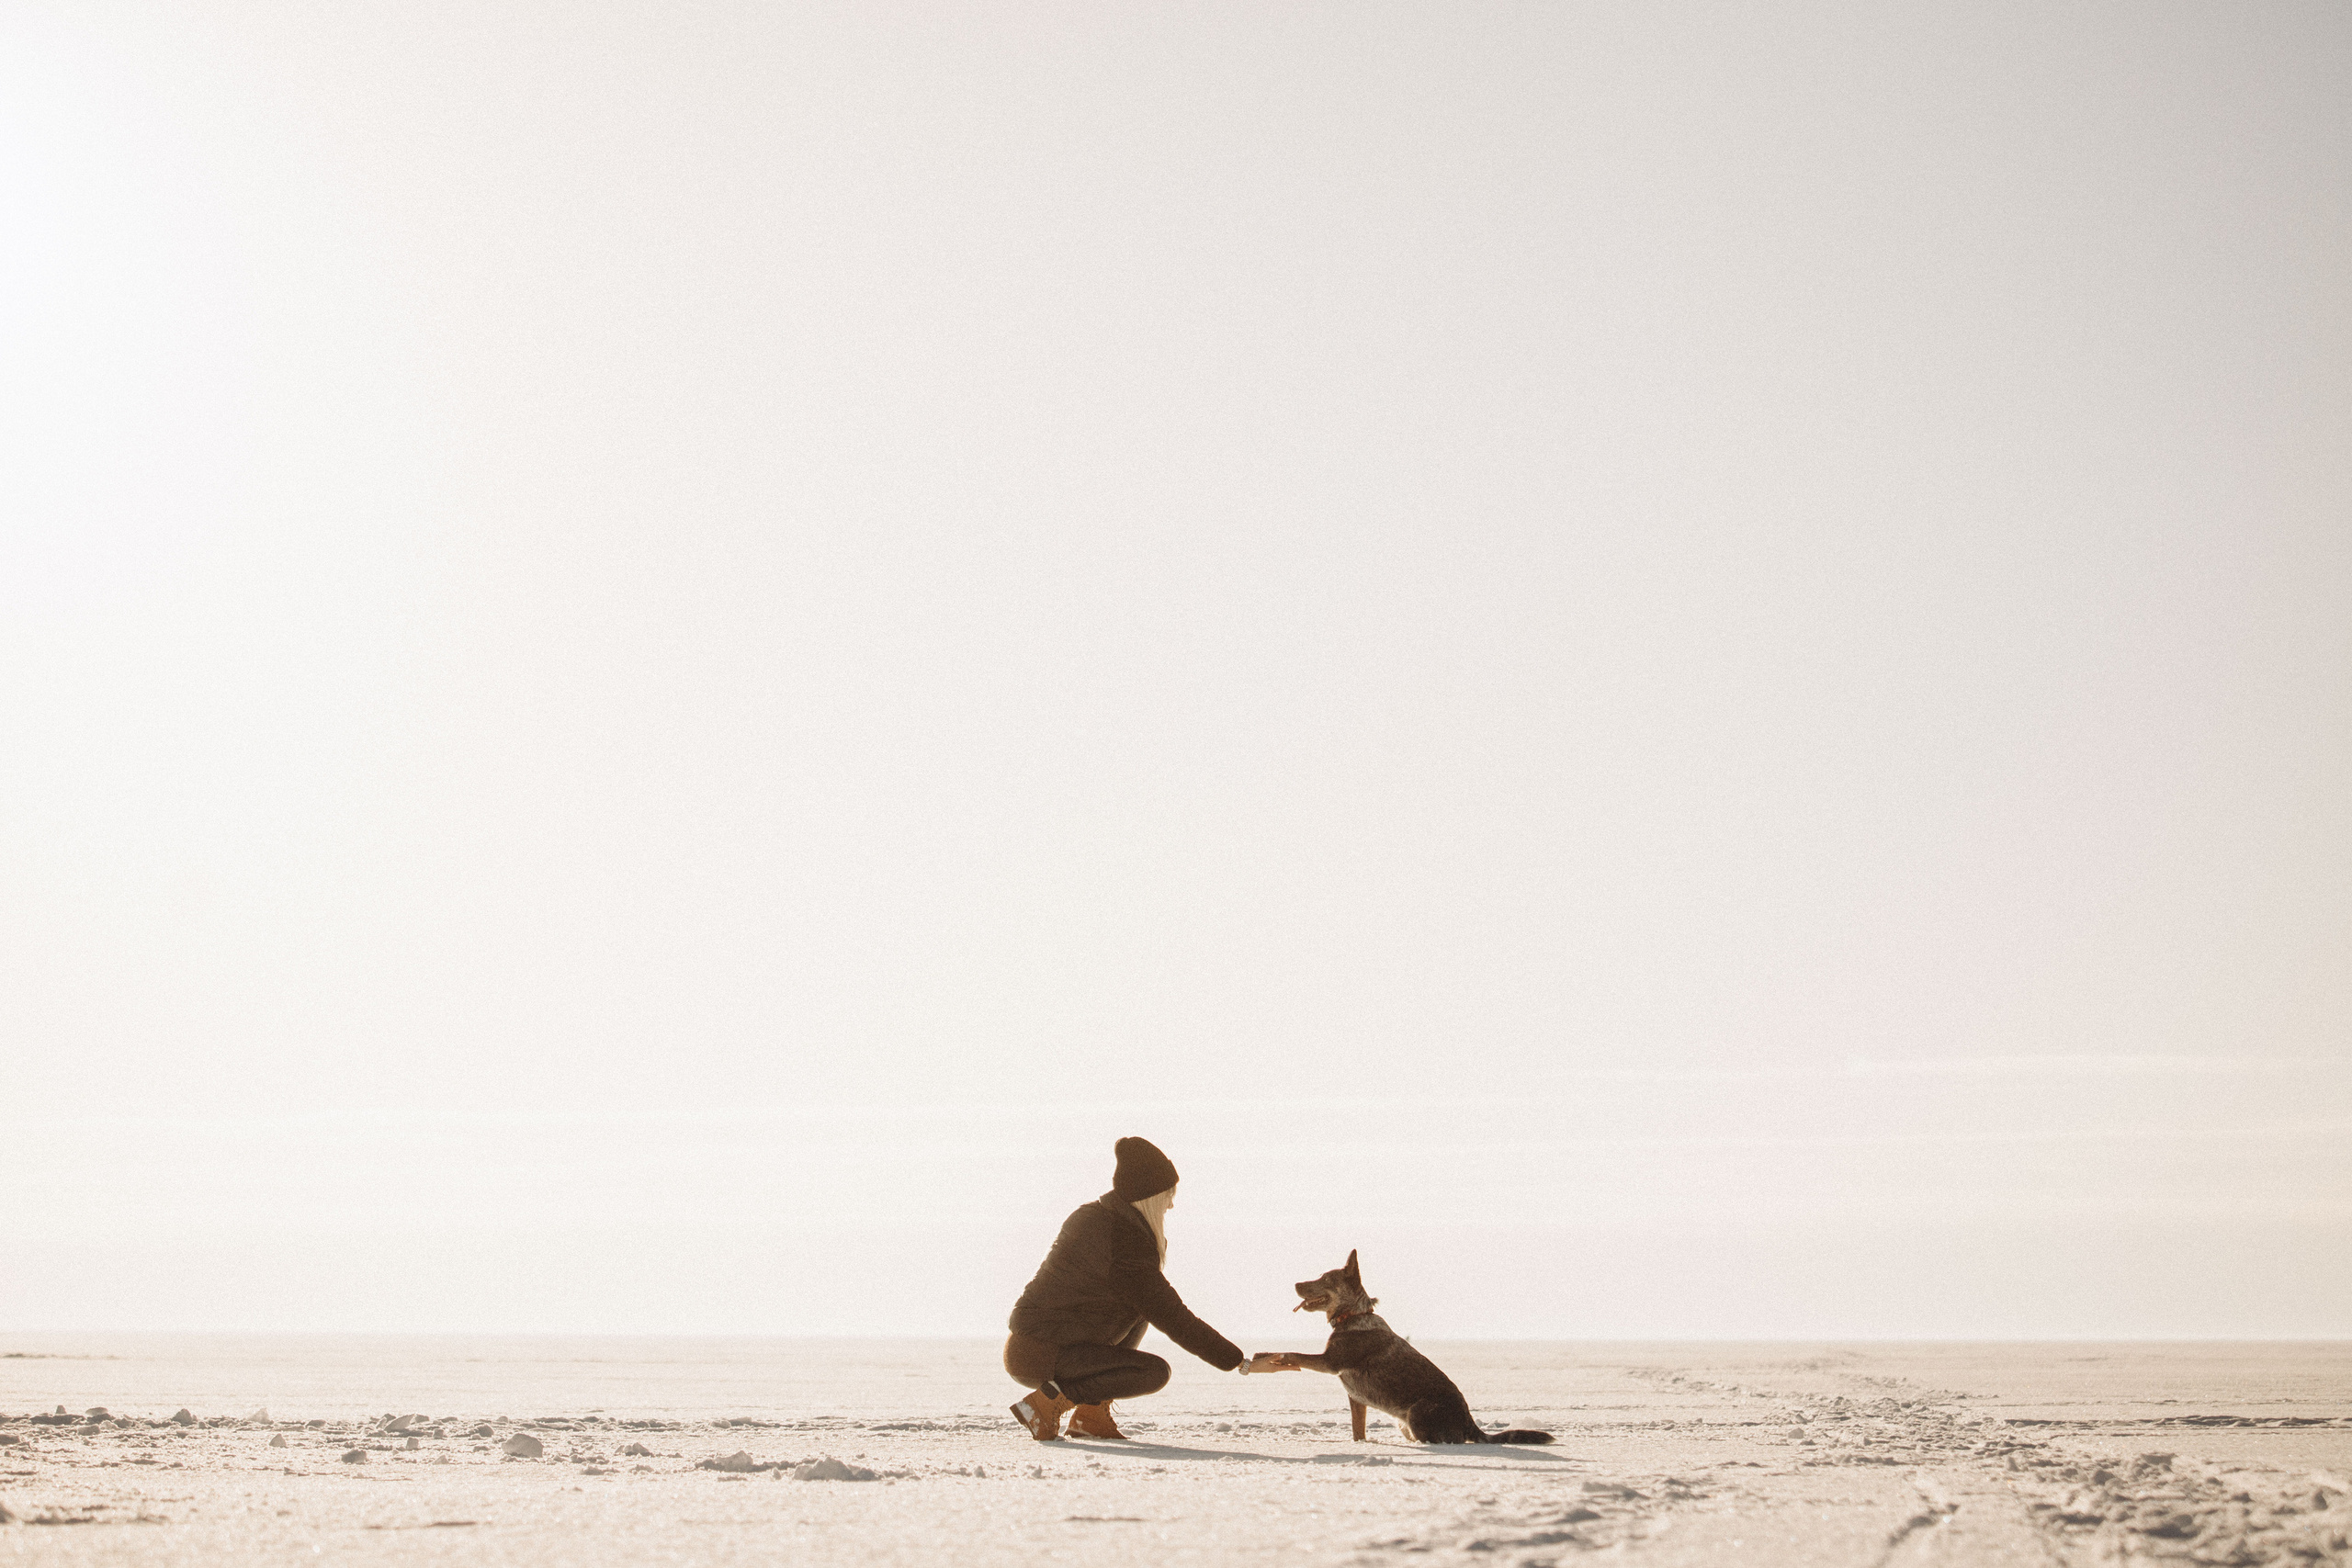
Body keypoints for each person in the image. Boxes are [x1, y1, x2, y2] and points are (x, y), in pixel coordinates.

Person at [1004, 1136, 1254, 1440]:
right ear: (1149, 1197)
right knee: (1153, 1372)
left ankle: (1091, 1416)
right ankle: (1046, 1404)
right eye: (1168, 1195)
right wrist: (1239, 1362)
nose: (1172, 1204)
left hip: (1035, 1346)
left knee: (1141, 1308)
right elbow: (1175, 1318)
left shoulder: (1095, 1217)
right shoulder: (1126, 1244)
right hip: (1045, 1354)